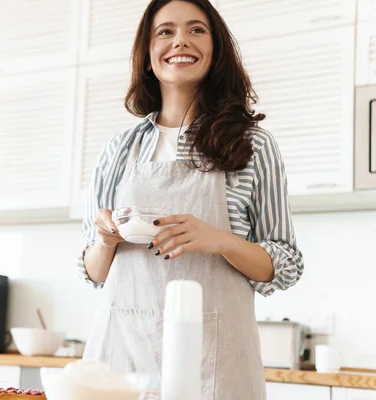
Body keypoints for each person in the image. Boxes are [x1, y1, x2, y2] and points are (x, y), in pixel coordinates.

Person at [76, 0, 305, 398]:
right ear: (148, 56)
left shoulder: (251, 145)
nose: (180, 40)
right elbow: (94, 273)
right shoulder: (117, 150)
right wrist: (104, 241)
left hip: (215, 363)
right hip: (123, 360)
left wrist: (219, 239)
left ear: (215, 51)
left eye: (196, 30)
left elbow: (284, 265)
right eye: (165, 31)